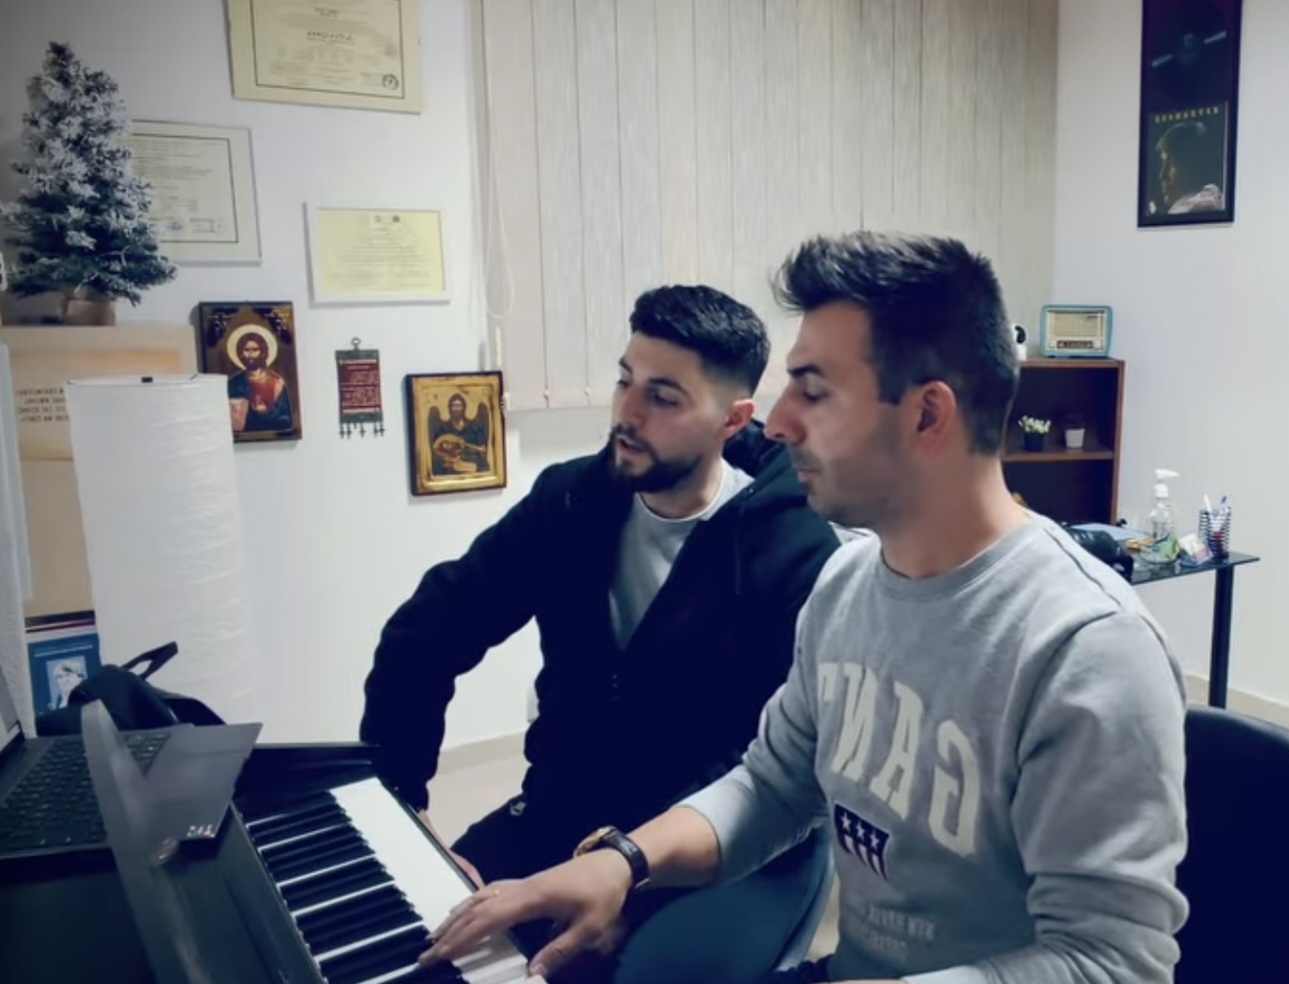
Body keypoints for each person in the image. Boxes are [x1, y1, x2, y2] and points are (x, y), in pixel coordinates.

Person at [421, 232, 1189, 984]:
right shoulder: (847, 584)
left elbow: (1112, 962)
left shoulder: (1086, 648)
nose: (777, 423)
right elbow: (772, 785)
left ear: (927, 415)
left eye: (813, 391)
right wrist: (623, 862)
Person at [359, 284, 843, 976]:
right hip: (563, 814)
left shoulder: (791, 548)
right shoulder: (569, 502)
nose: (627, 413)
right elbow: (426, 635)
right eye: (624, 382)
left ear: (733, 421)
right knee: (414, 939)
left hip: (718, 845)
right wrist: (406, 807)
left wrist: (630, 887)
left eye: (663, 398)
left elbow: (763, 767)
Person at [227, 330, 294, 432]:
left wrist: (263, 414)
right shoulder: (233, 383)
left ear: (263, 352)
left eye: (255, 350)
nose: (250, 354)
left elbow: (285, 419)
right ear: (240, 353)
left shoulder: (276, 382)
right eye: (246, 350)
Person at [1156, 119, 1225, 214]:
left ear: (1196, 166)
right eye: (1163, 164)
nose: (1162, 175)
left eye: (1172, 163)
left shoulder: (1191, 208)